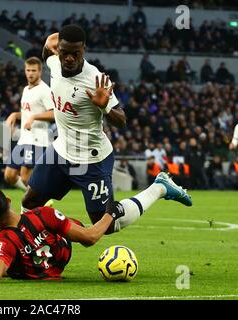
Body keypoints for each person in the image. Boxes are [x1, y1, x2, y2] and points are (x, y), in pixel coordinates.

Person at [22, 24, 192, 231]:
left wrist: (104, 108)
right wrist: (51, 39)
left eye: (75, 54)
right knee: (29, 202)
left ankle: (159, 188)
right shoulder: (55, 64)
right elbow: (48, 50)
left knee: (105, 225)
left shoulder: (95, 79)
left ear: (84, 49)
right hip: (61, 150)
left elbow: (122, 119)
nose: (69, 58)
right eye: (65, 53)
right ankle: (31, 250)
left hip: (92, 157)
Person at [0, 177, 188, 283]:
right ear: (8, 200)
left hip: (33, 255)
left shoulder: (6, 240)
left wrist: (111, 213)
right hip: (30, 259)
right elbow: (89, 237)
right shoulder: (26, 229)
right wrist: (111, 211)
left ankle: (159, 187)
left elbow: (89, 238)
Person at [5, 57, 54, 191]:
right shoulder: (26, 89)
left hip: (37, 140)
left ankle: (39, 203)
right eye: (28, 70)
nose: (30, 73)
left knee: (26, 178)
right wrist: (15, 115)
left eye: (33, 70)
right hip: (24, 139)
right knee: (9, 175)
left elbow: (54, 114)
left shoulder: (45, 90)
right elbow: (27, 113)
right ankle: (38, 199)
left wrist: (34, 118)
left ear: (40, 72)